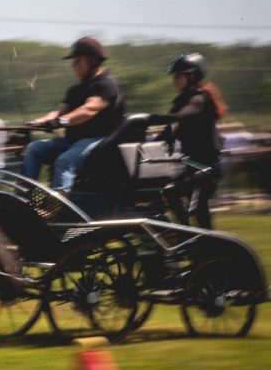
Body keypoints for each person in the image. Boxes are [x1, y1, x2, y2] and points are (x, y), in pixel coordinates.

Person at [21, 37, 124, 193]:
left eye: (77, 60)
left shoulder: (106, 83)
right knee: (34, 148)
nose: (73, 65)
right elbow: (60, 112)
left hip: (100, 140)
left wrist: (60, 122)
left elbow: (89, 109)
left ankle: (56, 209)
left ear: (93, 59)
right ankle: (21, 196)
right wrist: (35, 124)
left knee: (65, 160)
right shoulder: (77, 87)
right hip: (73, 140)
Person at [148, 52, 227, 229]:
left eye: (178, 76)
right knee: (186, 202)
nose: (174, 80)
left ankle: (188, 234)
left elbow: (182, 116)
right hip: (193, 167)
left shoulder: (200, 97)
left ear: (191, 76)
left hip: (206, 168)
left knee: (179, 195)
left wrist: (149, 118)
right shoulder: (183, 99)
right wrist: (144, 145)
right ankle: (189, 235)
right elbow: (169, 131)